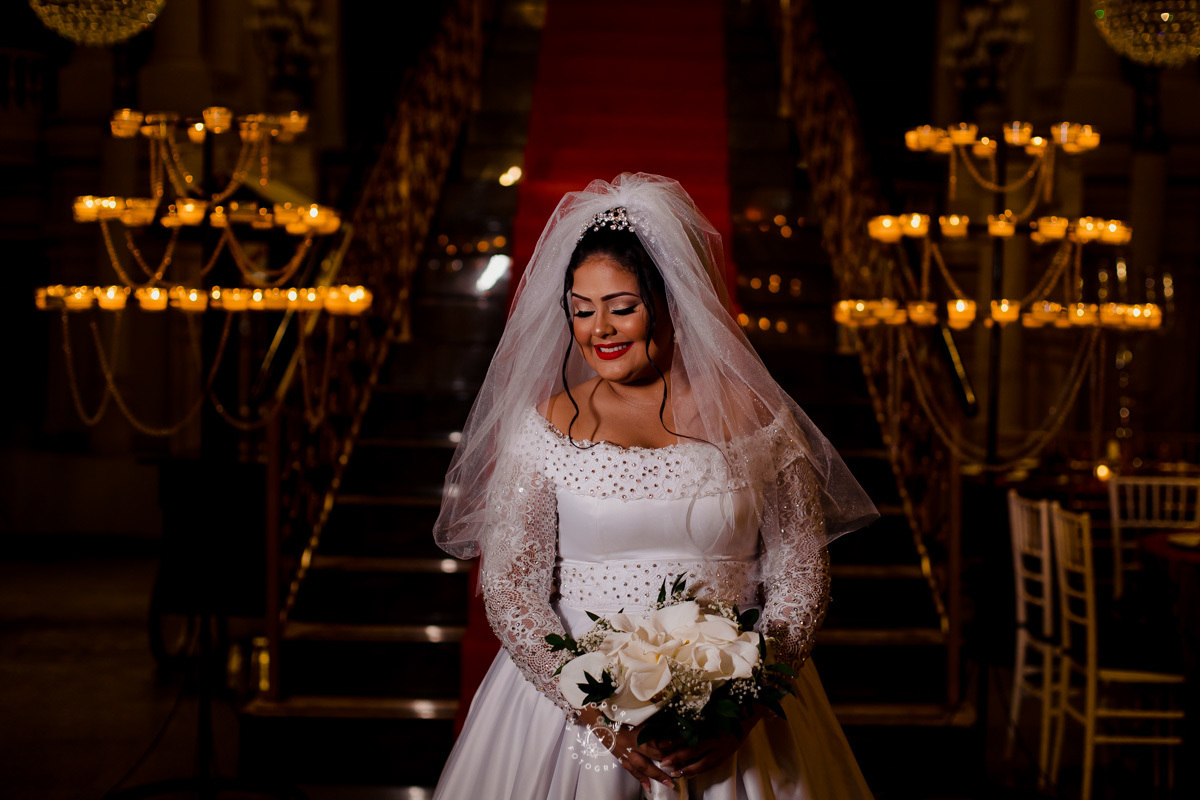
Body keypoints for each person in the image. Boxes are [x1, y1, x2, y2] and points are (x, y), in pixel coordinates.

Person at [433, 173, 879, 798]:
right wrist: (598, 716)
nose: (599, 330)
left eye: (622, 306)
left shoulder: (759, 421)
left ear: (674, 302)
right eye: (582, 309)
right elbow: (511, 592)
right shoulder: (542, 429)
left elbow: (801, 579)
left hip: (735, 713)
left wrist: (744, 710)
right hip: (575, 720)